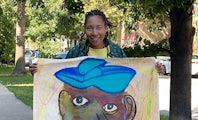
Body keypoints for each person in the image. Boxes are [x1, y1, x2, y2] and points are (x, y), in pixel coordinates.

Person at [29, 9, 164, 74]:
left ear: (105, 29)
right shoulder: (76, 52)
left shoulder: (117, 52)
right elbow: (59, 73)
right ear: (85, 29)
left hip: (110, 111)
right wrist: (40, 71)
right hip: (81, 110)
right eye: (90, 28)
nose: (94, 33)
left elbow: (131, 75)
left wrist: (152, 70)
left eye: (99, 27)